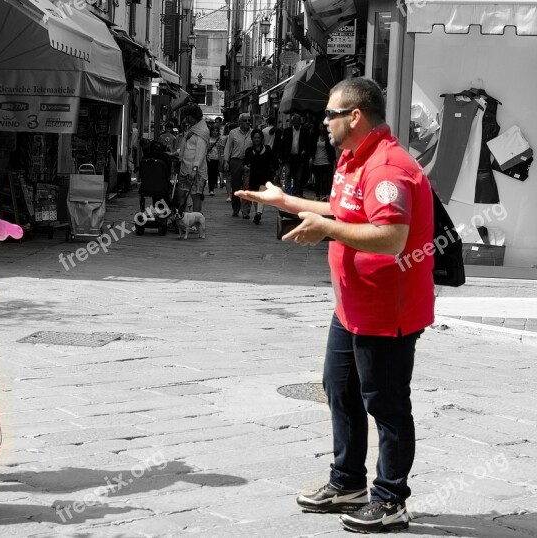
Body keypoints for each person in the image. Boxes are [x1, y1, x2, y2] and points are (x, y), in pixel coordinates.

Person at [235, 77, 434, 534]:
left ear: (355, 116)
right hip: (351, 308)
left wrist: (325, 231)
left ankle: (390, 499)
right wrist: (286, 201)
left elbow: (391, 237)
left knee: (386, 405)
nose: (322, 121)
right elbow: (345, 212)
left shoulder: (387, 168)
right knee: (339, 391)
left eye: (329, 114)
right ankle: (347, 482)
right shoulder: (353, 158)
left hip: (388, 311)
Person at [177, 104, 209, 213]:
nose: (186, 119)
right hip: (184, 168)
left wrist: (195, 169)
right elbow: (187, 146)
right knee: (181, 194)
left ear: (194, 116)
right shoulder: (191, 129)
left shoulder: (202, 132)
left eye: (188, 116)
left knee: (196, 196)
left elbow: (200, 153)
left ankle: (195, 222)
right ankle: (182, 219)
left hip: (196, 171)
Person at [243, 128, 276, 224]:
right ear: (252, 139)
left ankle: (258, 213)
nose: (257, 139)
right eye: (255, 137)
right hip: (253, 177)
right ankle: (258, 213)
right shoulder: (249, 150)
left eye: (258, 137)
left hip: (265, 176)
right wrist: (245, 166)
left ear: (261, 139)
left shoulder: (267, 149)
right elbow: (245, 161)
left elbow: (274, 161)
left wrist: (276, 171)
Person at [223, 113, 254, 217]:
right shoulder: (233, 132)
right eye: (245, 120)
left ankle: (246, 211)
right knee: (236, 187)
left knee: (247, 187)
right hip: (235, 161)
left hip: (248, 162)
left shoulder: (253, 133)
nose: (248, 122)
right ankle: (236, 208)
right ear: (240, 122)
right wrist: (226, 161)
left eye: (249, 120)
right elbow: (228, 147)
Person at [281, 114, 311, 196]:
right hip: (289, 156)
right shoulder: (287, 131)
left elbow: (308, 144)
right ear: (292, 123)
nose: (296, 125)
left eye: (298, 123)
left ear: (300, 123)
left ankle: (295, 192)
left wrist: (305, 151)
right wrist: (283, 156)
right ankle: (288, 191)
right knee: (287, 174)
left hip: (299, 157)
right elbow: (283, 144)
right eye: (295, 123)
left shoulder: (305, 131)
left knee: (298, 176)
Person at [310, 123, 337, 200]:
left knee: (324, 180)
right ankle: (317, 195)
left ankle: (324, 195)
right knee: (317, 180)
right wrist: (311, 158)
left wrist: (334, 160)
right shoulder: (315, 137)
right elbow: (312, 148)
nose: (322, 129)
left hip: (326, 162)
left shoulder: (329, 138)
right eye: (321, 127)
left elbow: (332, 150)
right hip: (317, 162)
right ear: (319, 128)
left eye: (324, 127)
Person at [206, 125, 221, 196]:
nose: (215, 132)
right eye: (213, 131)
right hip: (209, 158)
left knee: (215, 174)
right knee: (210, 174)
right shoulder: (208, 139)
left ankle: (214, 185)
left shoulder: (219, 139)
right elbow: (206, 149)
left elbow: (221, 150)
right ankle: (211, 189)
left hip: (217, 158)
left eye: (216, 131)